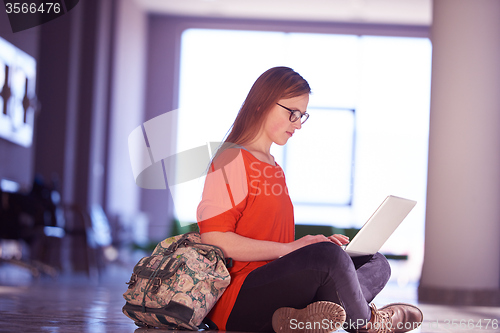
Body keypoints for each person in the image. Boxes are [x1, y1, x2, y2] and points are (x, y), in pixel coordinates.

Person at [196, 66, 423, 333]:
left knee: (375, 262)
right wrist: (295, 249)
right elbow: (215, 239)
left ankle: (299, 319)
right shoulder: (231, 159)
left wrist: (310, 247)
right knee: (328, 257)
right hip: (239, 301)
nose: (298, 124)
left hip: (278, 288)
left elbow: (275, 241)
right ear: (261, 104)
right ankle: (370, 323)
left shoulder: (272, 165)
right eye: (292, 113)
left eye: (302, 116)